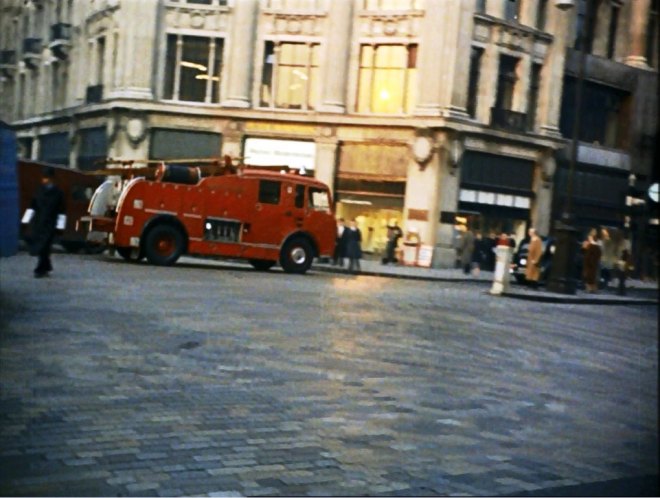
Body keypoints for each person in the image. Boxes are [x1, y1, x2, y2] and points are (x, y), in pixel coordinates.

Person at [22, 167, 66, 278]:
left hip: (50, 224)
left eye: (47, 178)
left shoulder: (58, 193)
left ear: (52, 179)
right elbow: (32, 206)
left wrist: (60, 226)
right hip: (38, 223)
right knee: (43, 247)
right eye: (44, 178)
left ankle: (40, 269)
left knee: (44, 247)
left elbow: (61, 210)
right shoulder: (39, 191)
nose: (45, 180)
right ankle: (45, 267)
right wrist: (25, 220)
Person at [582, 228, 602, 293]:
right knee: (590, 275)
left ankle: (591, 288)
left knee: (591, 275)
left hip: (591, 261)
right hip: (591, 261)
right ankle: (591, 288)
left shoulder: (593, 243)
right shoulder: (592, 243)